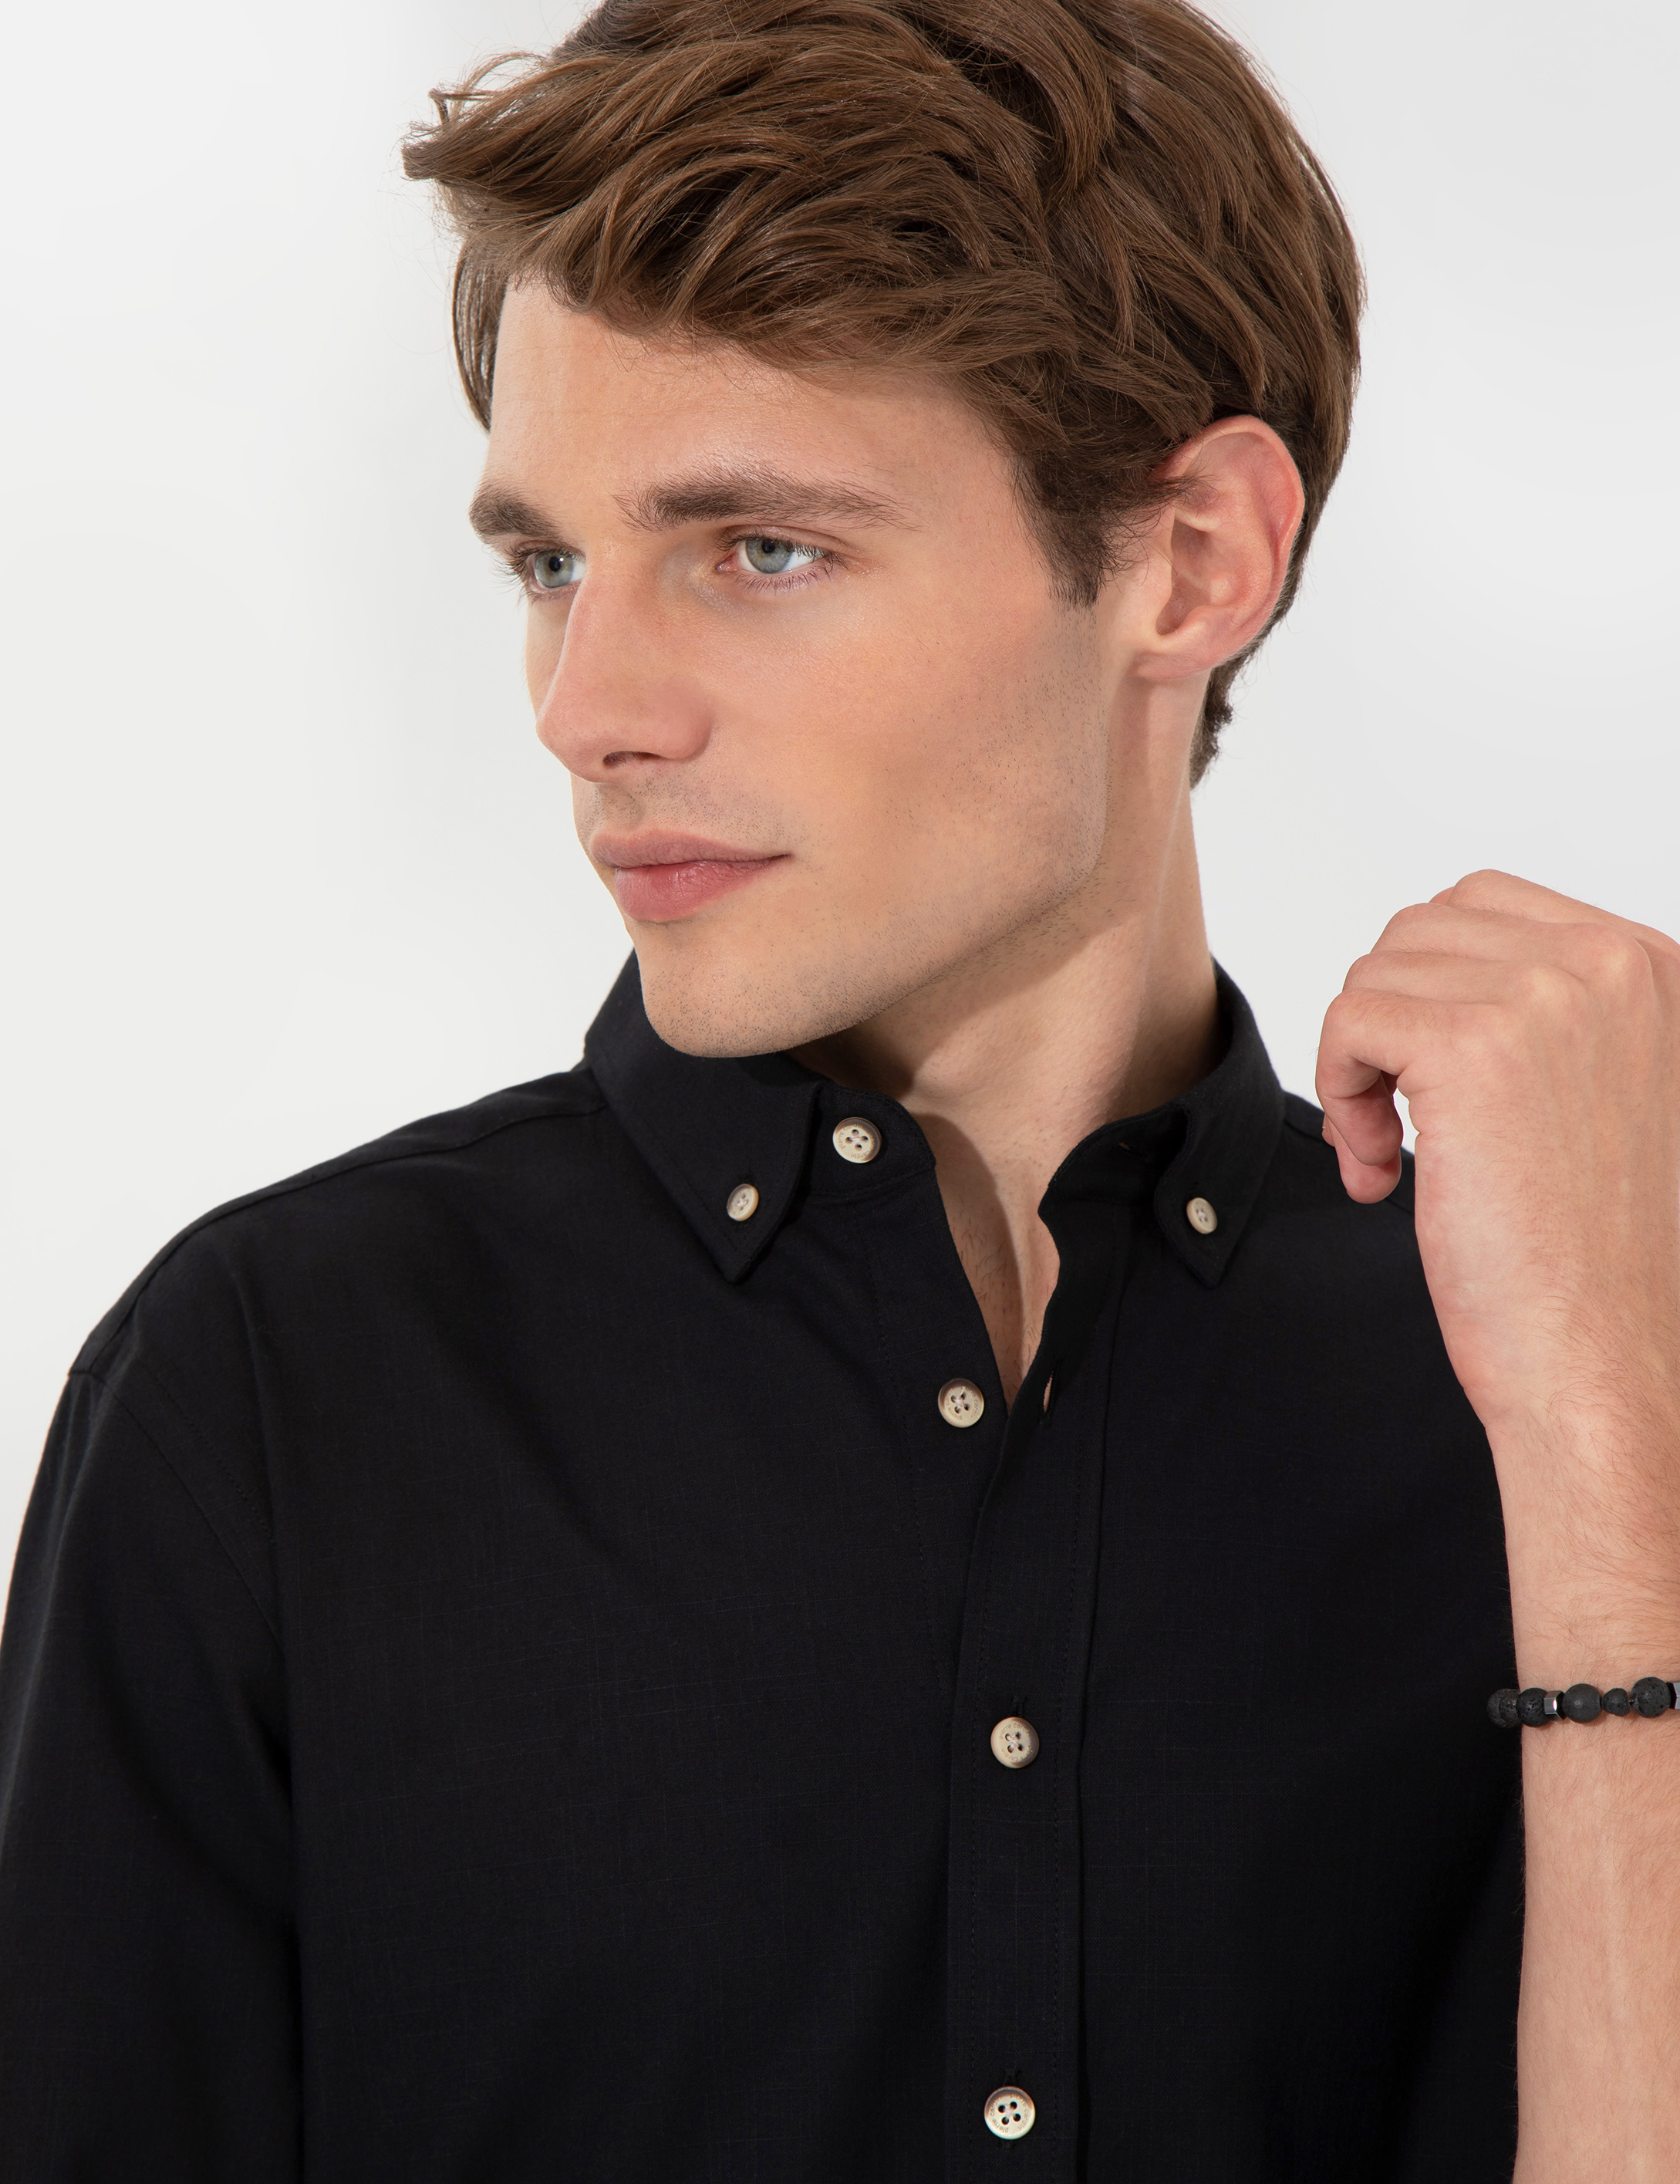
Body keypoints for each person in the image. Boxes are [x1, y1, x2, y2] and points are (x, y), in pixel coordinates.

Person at [2, 0, 1677, 2175]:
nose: (586, 707)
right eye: (549, 564)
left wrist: (1607, 1460)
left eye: (760, 550)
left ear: (1191, 561)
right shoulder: (275, 1386)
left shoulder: (1566, 1384)